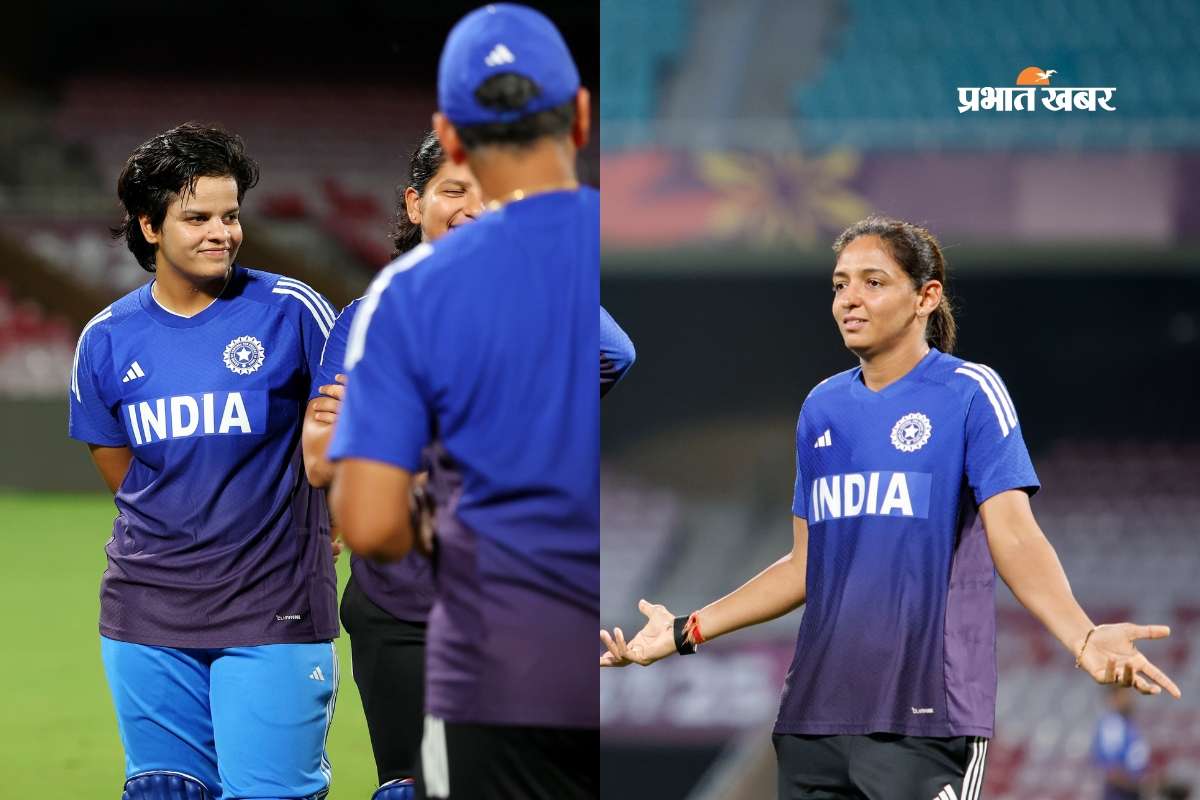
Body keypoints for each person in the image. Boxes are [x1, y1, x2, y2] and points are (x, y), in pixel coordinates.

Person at [600, 216, 1181, 800]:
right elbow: (806, 565)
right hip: (814, 722)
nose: (849, 298)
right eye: (839, 283)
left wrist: (1080, 637)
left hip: (924, 721)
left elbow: (1016, 535)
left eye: (873, 282)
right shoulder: (822, 408)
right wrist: (684, 630)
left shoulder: (969, 392)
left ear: (925, 297)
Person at [327, 4, 598, 798]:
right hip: (627, 659)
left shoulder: (412, 294)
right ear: (580, 115)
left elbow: (370, 523)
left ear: (449, 134)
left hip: (495, 670)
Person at [69, 122, 339, 800]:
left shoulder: (293, 312)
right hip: (148, 613)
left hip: (274, 610)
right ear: (150, 226)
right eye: (198, 217)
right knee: (166, 791)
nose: (222, 231)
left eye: (230, 215)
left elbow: (356, 433)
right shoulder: (105, 339)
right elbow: (123, 470)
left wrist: (334, 523)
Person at [301, 130, 483, 800]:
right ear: (415, 204)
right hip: (397, 604)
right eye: (453, 190)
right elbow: (320, 460)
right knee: (406, 788)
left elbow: (615, 356)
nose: (472, 207)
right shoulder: (366, 321)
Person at [1092, 686, 1151, 800]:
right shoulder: (1113, 725)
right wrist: (1140, 786)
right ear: (1113, 699)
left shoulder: (1128, 724)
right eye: (1125, 695)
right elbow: (1112, 770)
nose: (1130, 699)